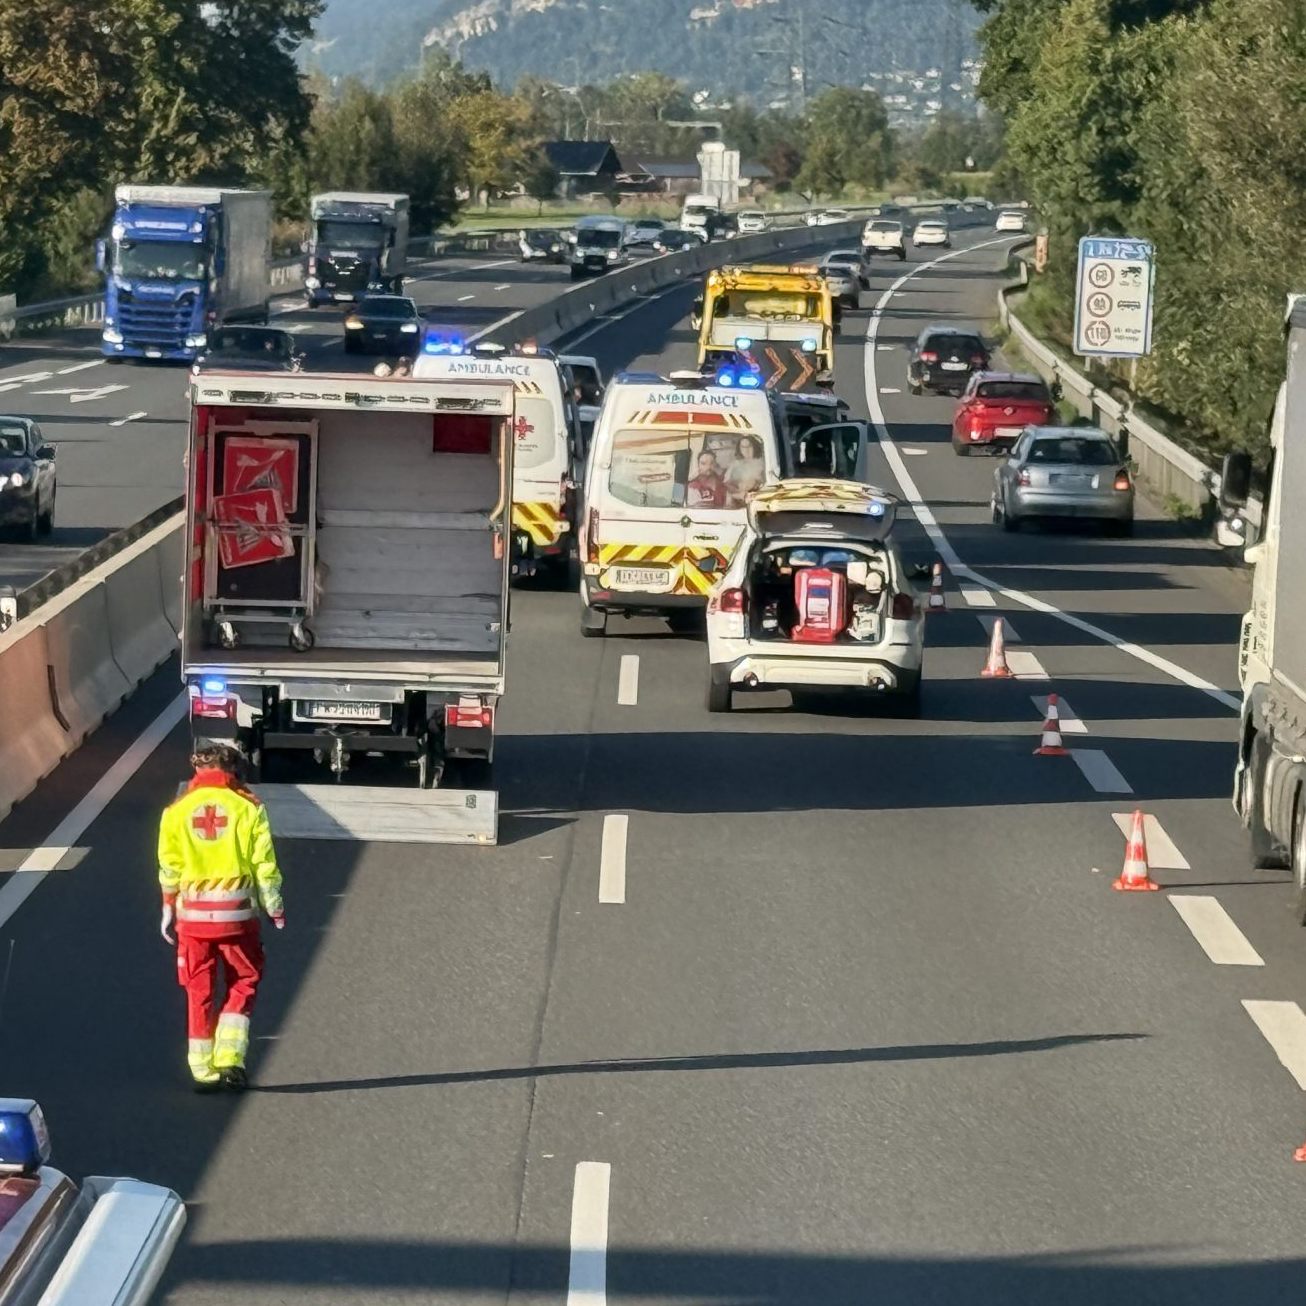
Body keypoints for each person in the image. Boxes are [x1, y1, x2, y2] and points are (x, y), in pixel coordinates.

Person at [158, 743, 285, 1092]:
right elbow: (265, 865)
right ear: (233, 771)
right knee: (243, 980)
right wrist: (274, 908)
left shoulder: (176, 811)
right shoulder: (249, 807)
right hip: (237, 919)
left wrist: (168, 905)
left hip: (193, 923)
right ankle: (231, 1058)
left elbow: (169, 866)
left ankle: (202, 1070)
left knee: (198, 991)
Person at [724, 435, 766, 507]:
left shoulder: (763, 463)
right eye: (743, 447)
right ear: (739, 449)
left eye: (749, 446)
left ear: (755, 446)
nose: (746, 450)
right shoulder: (735, 464)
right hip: (737, 502)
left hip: (758, 500)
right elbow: (726, 484)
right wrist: (738, 494)